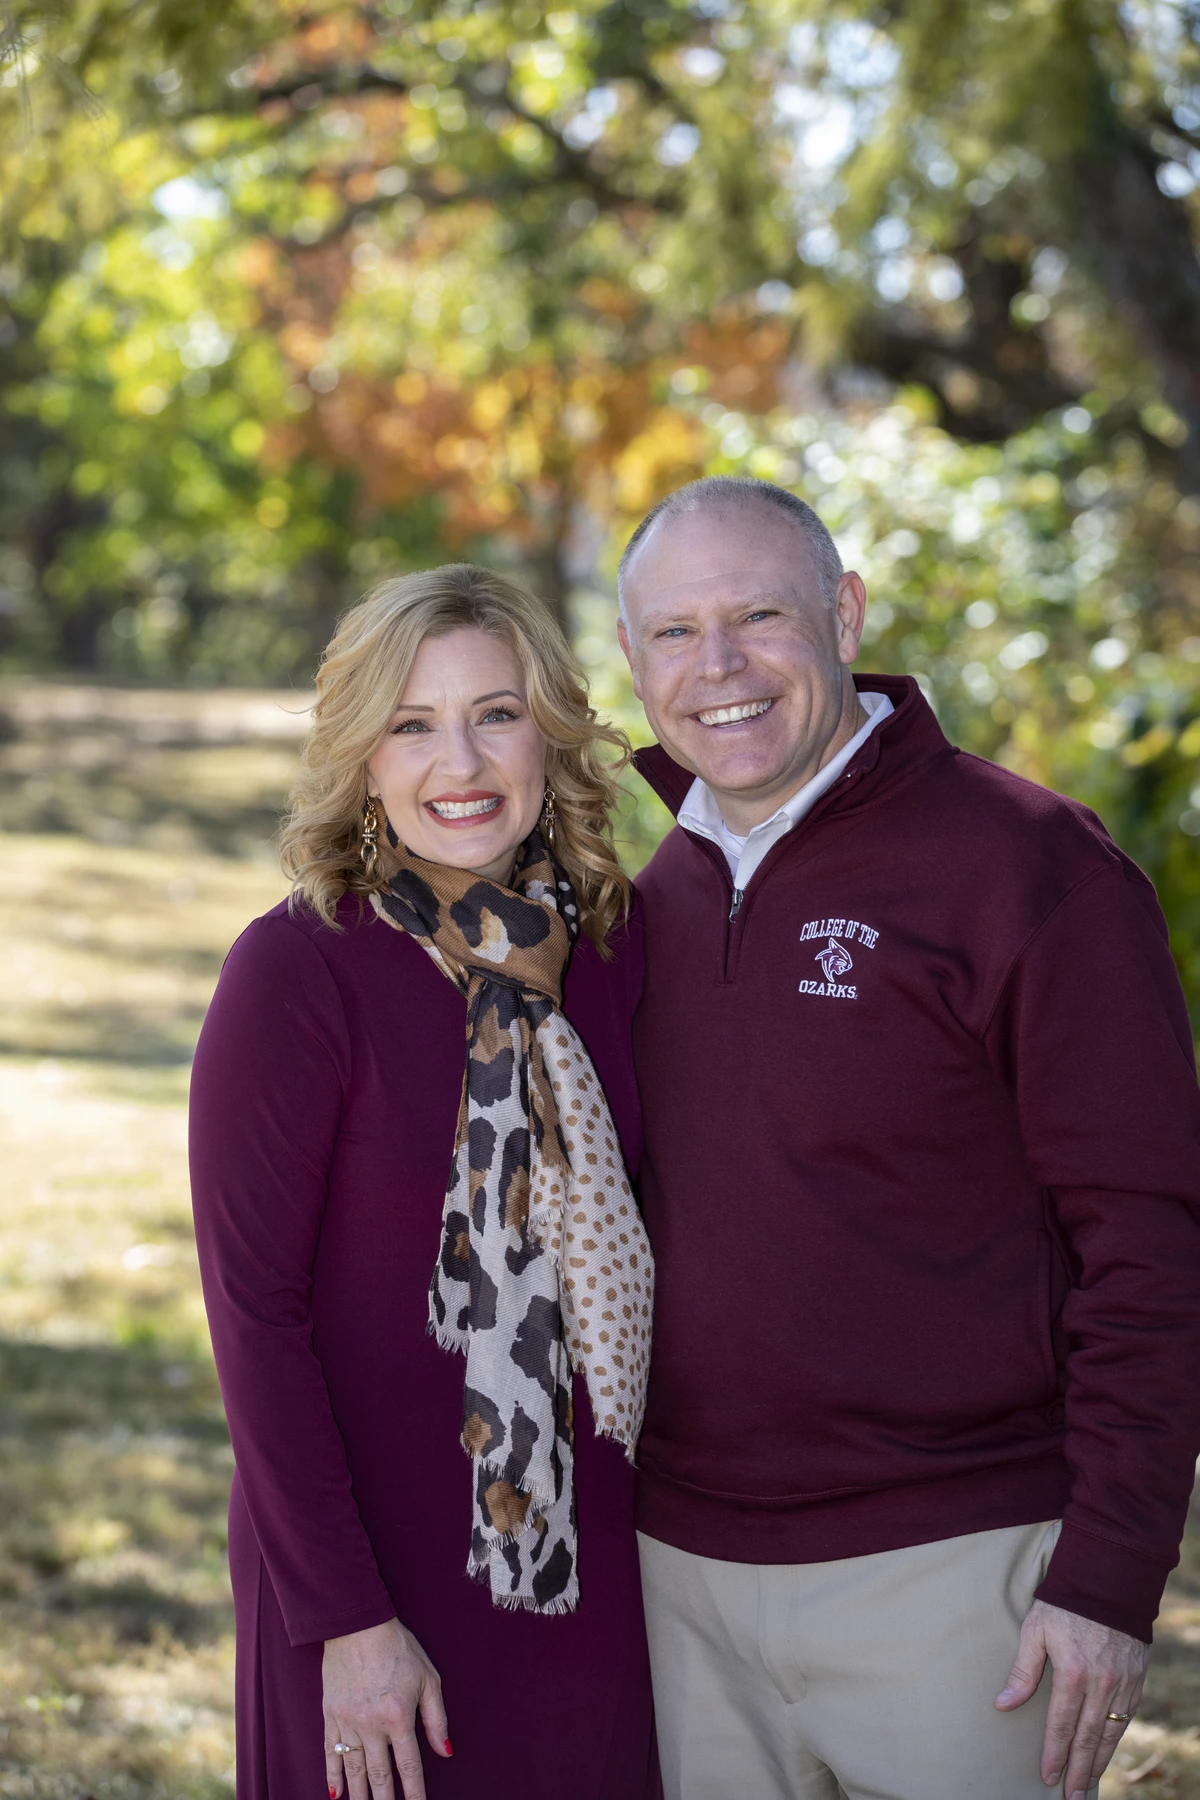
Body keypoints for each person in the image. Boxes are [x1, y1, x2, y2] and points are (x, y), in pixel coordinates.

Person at [616, 475, 1200, 1800]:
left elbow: (1149, 1237)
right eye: (674, 632)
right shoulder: (646, 899)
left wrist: (1107, 1577)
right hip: (680, 1581)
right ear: (631, 659)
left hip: (955, 1576)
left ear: (846, 611)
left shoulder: (1031, 867)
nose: (719, 668)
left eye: (759, 614)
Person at [189, 564, 660, 1800]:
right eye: (412, 724)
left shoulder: (612, 957)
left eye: (495, 713)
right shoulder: (297, 973)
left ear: (551, 736)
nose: (460, 761)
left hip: (591, 1566)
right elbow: (254, 1319)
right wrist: (345, 1621)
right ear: (362, 757)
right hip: (366, 1576)